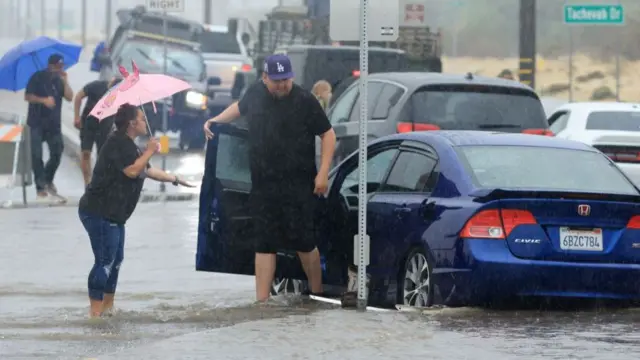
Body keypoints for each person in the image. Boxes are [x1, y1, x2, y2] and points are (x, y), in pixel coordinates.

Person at [203, 54, 337, 302]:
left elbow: (329, 135)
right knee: (264, 244)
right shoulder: (255, 94)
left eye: (286, 79)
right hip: (263, 186)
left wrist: (323, 173)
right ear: (265, 78)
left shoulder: (304, 101)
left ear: (291, 77)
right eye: (276, 81)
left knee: (304, 243)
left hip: (298, 186)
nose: (282, 85)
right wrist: (215, 120)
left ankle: (317, 294)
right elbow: (239, 108)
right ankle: (262, 303)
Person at [78, 104, 194, 318]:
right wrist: (150, 150)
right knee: (105, 261)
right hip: (99, 212)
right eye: (141, 118)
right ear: (132, 123)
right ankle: (94, 315)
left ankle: (108, 308)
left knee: (116, 260)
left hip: (114, 214)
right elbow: (132, 171)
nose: (144, 121)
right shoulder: (116, 143)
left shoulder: (130, 145)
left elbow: (147, 170)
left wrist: (176, 179)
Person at [24, 54, 74, 200]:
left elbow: (70, 97)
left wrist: (65, 81)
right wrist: (43, 100)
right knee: (37, 155)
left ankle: (47, 178)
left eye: (62, 66)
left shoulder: (60, 81)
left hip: (54, 124)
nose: (60, 69)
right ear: (51, 65)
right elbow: (28, 96)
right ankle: (40, 186)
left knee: (57, 152)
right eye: (58, 66)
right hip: (36, 123)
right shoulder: (37, 77)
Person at [73, 76, 123, 186]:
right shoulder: (96, 86)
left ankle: (99, 181)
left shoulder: (120, 96)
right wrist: (76, 116)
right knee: (86, 153)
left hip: (105, 126)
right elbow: (78, 96)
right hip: (88, 123)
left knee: (102, 156)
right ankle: (87, 183)